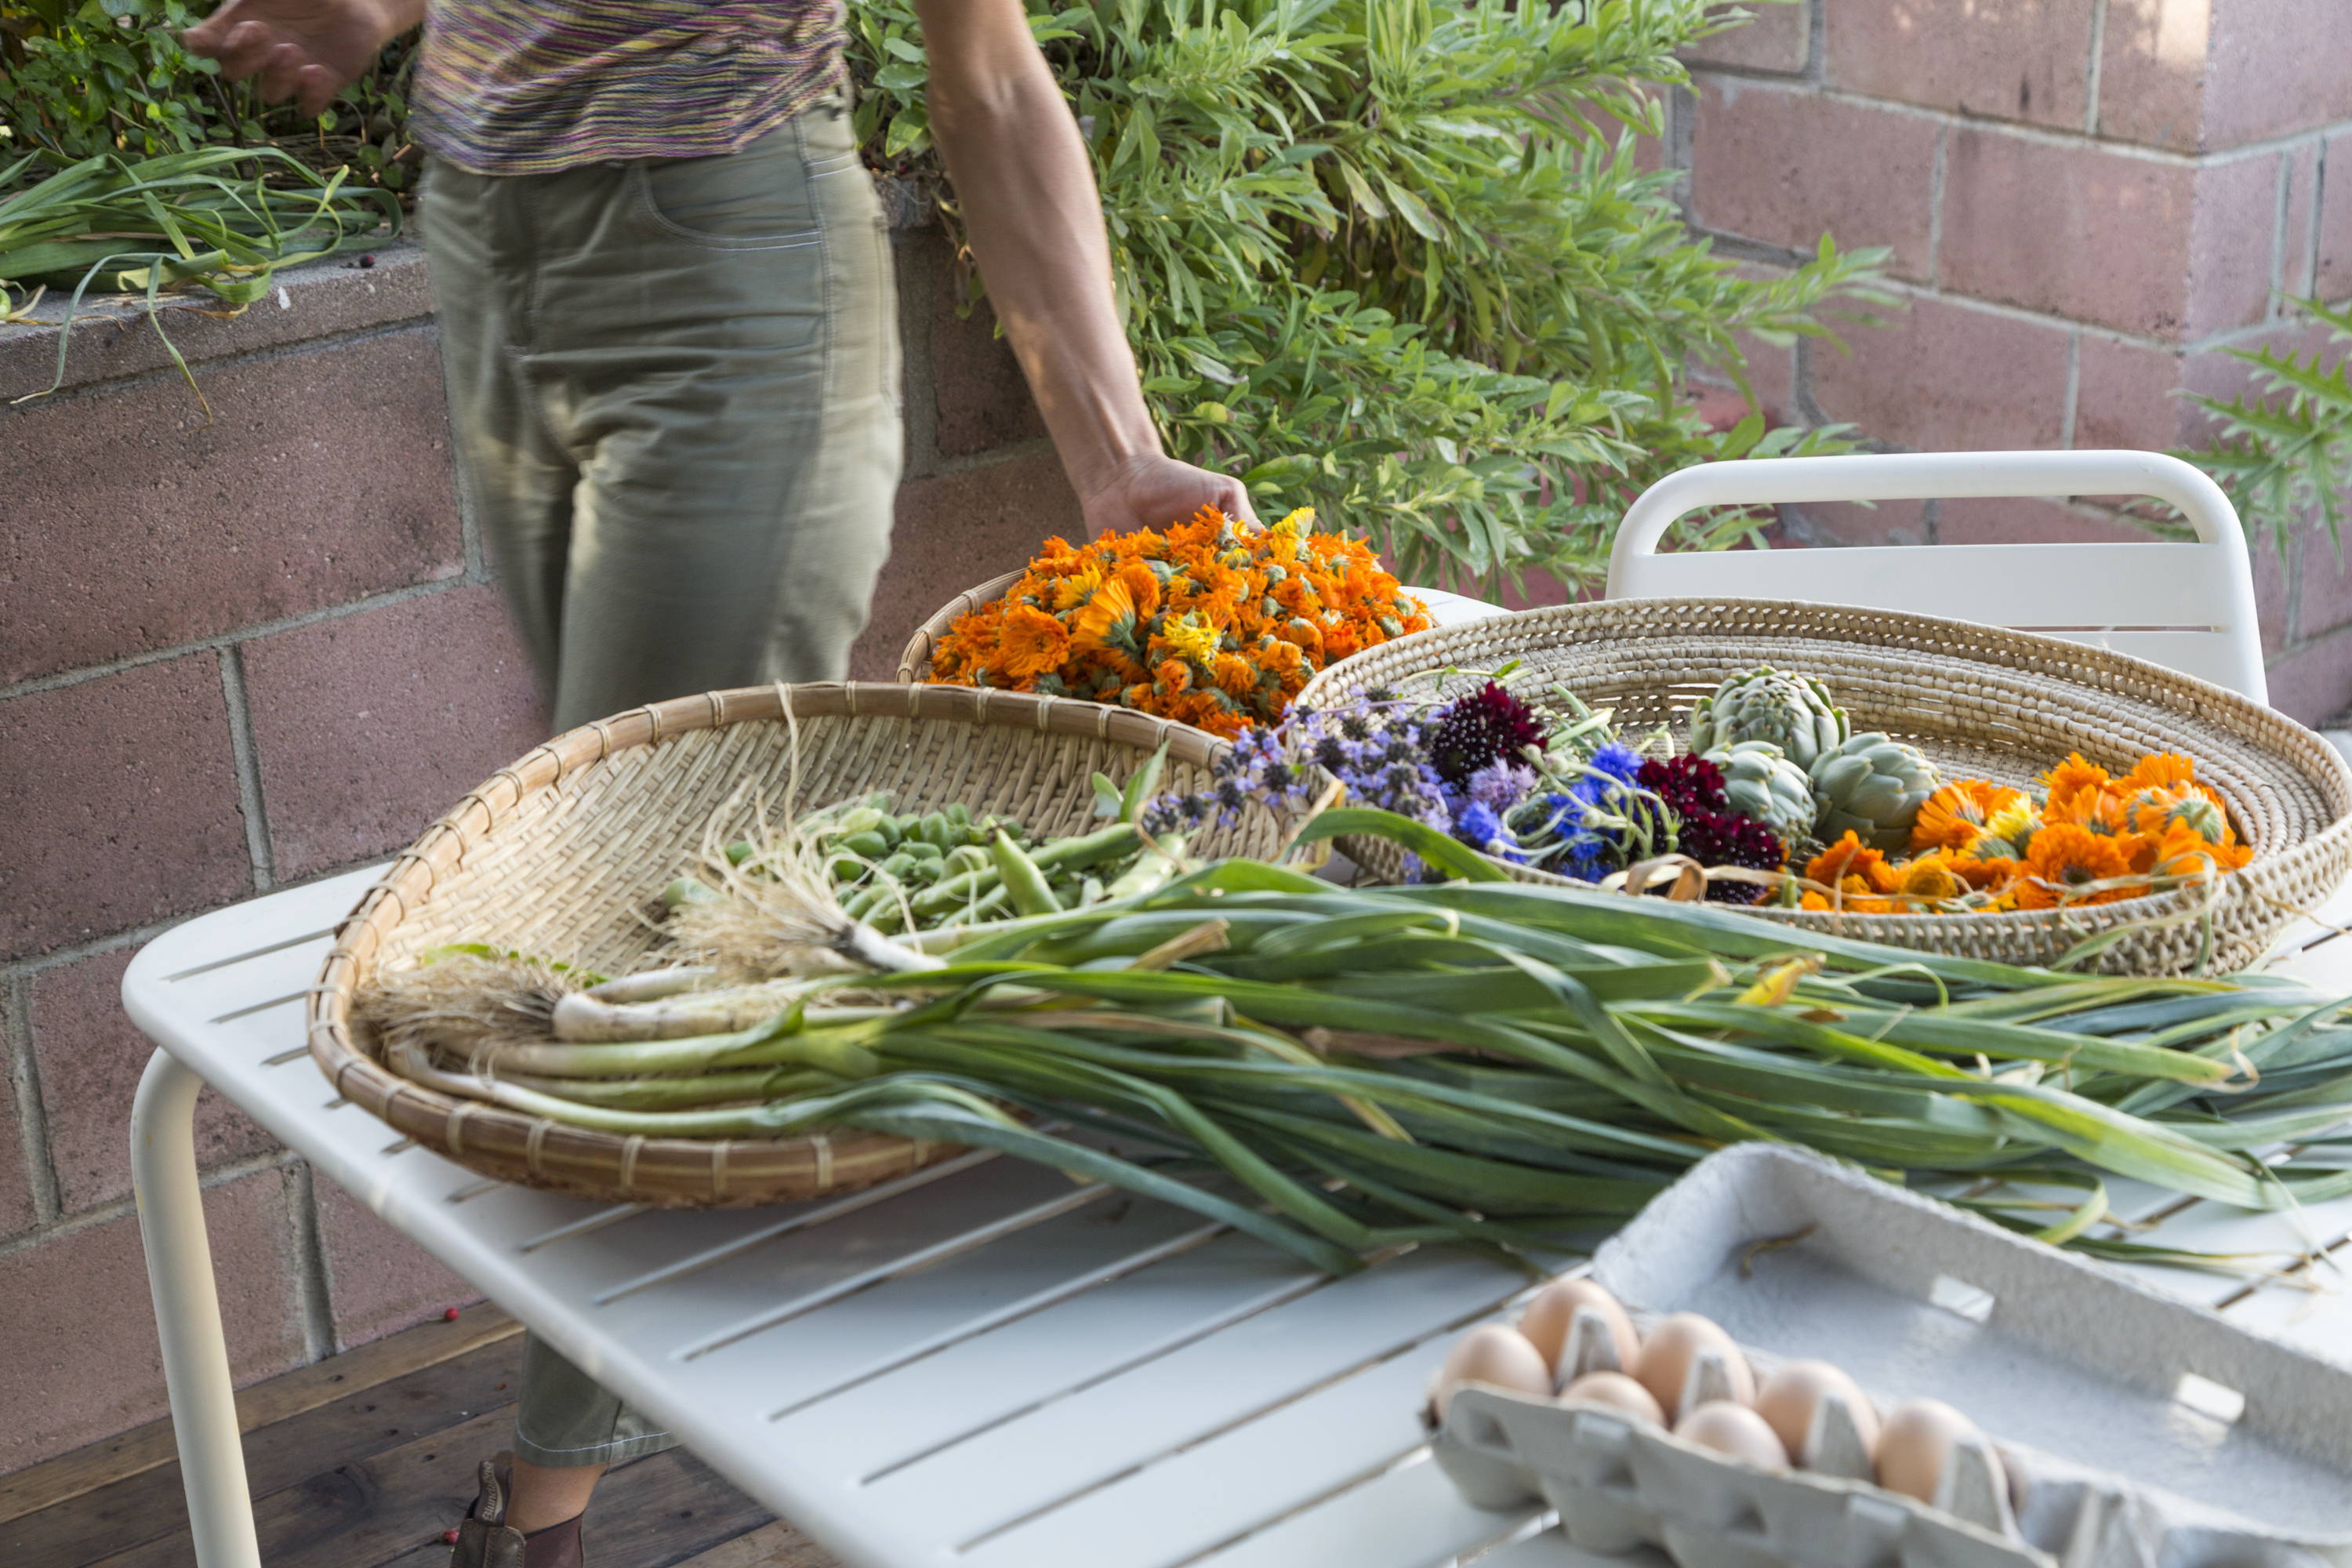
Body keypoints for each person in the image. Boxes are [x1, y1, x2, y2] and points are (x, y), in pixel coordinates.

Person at [183, 0, 1258, 1561]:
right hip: (492, 247)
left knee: (627, 943)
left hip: (726, 280)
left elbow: (986, 61)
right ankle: (572, 1485)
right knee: (624, 908)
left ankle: (556, 1511)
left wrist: (1112, 452)